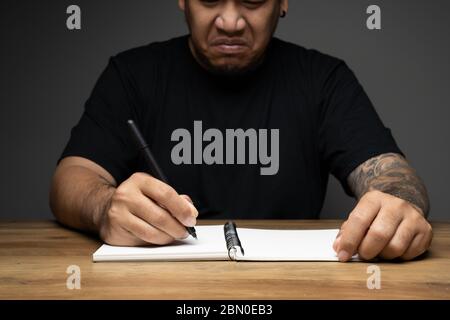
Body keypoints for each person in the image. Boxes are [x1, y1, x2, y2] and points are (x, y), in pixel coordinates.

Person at [50, 0, 432, 262]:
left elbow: (389, 171)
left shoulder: (323, 80)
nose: (230, 21)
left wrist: (397, 204)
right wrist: (104, 208)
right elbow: (72, 176)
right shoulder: (132, 75)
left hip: (291, 288)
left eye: (252, 0)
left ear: (282, 2)